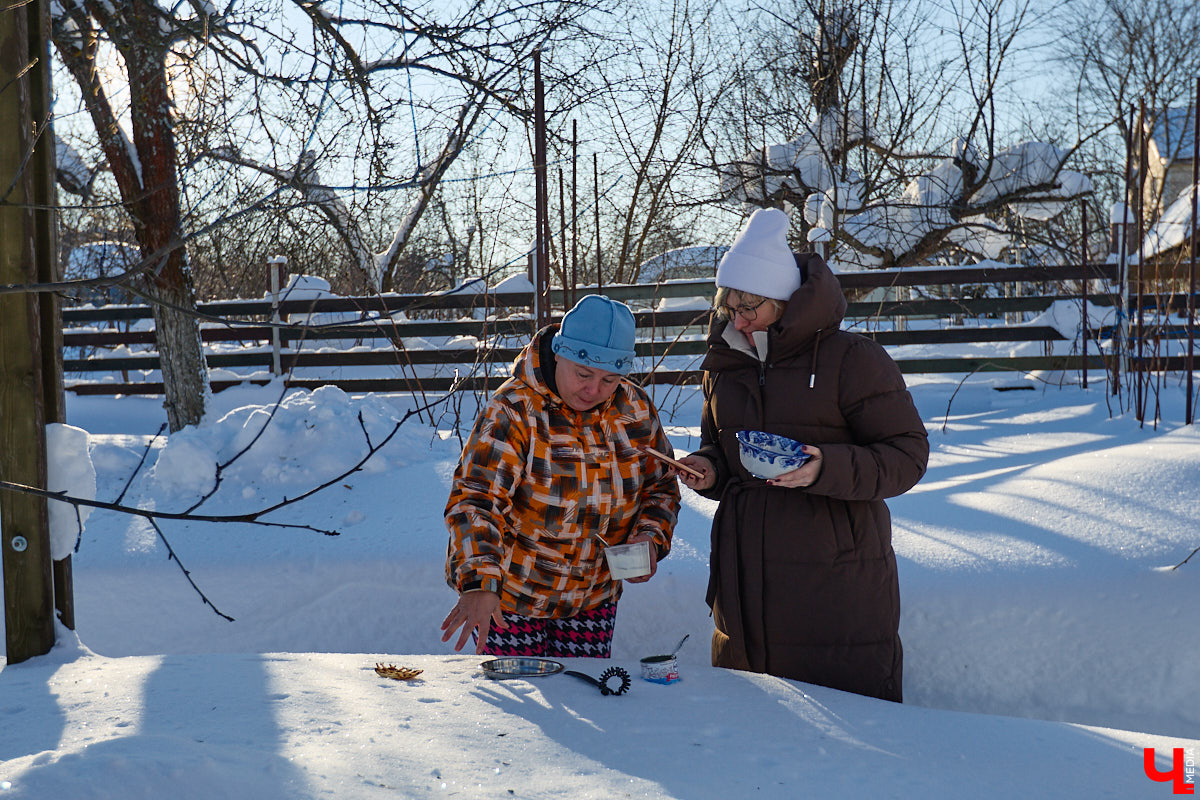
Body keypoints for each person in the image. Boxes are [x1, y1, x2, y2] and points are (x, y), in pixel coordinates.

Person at [676, 207, 928, 702]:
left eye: (753, 307)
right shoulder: (726, 364)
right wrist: (710, 469)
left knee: (850, 731)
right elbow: (722, 448)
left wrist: (825, 468)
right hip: (743, 584)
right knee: (754, 728)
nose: (741, 319)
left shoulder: (851, 360)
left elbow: (906, 455)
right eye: (732, 307)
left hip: (836, 585)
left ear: (787, 302)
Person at [441, 294, 681, 657]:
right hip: (510, 599)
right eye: (583, 374)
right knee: (520, 708)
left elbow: (661, 486)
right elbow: (476, 499)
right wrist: (478, 582)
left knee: (586, 702)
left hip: (593, 598)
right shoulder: (513, 410)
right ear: (559, 354)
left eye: (609, 379)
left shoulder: (634, 408)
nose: (593, 390)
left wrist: (650, 538)